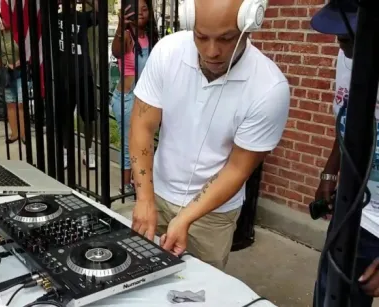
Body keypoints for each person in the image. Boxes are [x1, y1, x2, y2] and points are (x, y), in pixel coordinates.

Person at [129, 0, 290, 270]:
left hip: (214, 213)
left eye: (226, 39)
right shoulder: (168, 52)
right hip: (156, 192)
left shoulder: (269, 88)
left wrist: (185, 218)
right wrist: (145, 199)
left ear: (250, 24)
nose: (212, 51)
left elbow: (238, 169)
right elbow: (142, 126)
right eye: (201, 37)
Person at [311, 0, 379, 305]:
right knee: (330, 295)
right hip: (351, 209)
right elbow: (349, 120)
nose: (340, 41)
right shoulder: (348, 52)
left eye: (349, 35)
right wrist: (330, 172)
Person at [111, 0, 158, 194]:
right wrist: (121, 27)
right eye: (136, 10)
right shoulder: (127, 36)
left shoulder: (151, 37)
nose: (141, 13)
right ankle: (126, 185)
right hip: (128, 98)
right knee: (130, 142)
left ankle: (137, 180)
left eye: (145, 9)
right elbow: (116, 50)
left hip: (145, 99)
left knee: (144, 141)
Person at [57, 0, 99, 169]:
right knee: (65, 118)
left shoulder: (81, 17)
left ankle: (88, 151)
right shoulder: (55, 18)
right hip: (63, 75)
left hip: (83, 74)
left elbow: (98, 14)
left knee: (88, 117)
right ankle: (66, 152)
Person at [0, 17, 26, 144]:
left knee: (21, 103)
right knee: (10, 103)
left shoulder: (20, 32)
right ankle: (14, 134)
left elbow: (28, 51)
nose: (3, 20)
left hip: (20, 71)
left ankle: (23, 134)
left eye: (6, 17)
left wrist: (17, 63)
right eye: (2, 18)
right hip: (6, 73)